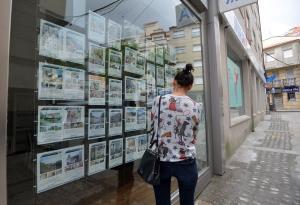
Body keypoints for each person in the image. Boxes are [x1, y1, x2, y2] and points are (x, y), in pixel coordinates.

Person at [151, 64, 202, 205]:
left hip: (161, 159)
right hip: (186, 161)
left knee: (162, 202)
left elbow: (153, 126)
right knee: (187, 201)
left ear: (174, 82)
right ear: (190, 86)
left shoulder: (158, 100)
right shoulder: (196, 106)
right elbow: (194, 134)